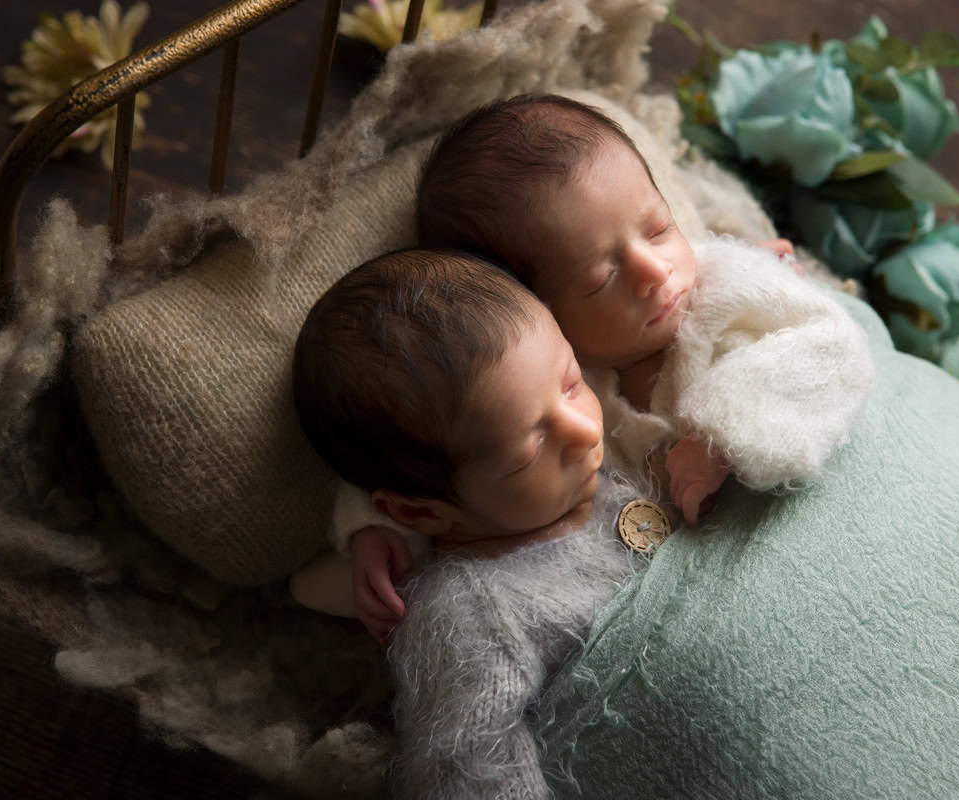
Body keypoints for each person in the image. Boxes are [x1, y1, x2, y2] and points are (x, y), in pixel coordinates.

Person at [302, 93, 874, 639]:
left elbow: (829, 351)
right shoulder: (556, 383)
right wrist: (373, 532)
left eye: (658, 228)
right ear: (530, 309)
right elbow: (439, 443)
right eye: (602, 278)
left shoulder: (722, 286)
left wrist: (720, 438)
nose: (654, 270)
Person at [291, 247, 656, 799]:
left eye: (571, 381)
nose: (582, 430)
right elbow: (462, 774)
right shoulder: (468, 613)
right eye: (529, 450)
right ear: (420, 513)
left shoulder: (602, 452)